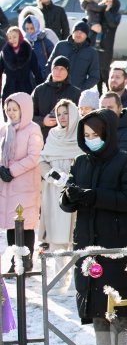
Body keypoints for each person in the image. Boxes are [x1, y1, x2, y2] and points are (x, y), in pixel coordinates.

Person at [60, 109, 127, 345]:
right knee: (95, 304)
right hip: (88, 244)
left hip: (115, 246)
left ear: (107, 134)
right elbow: (68, 195)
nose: (91, 139)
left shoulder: (125, 162)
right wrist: (70, 197)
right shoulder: (81, 162)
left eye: (95, 135)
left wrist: (94, 195)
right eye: (86, 135)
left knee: (115, 304)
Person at [37, 99, 82, 279]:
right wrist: (52, 175)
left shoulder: (81, 134)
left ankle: (76, 278)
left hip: (76, 190)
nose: (62, 117)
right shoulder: (53, 135)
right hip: (54, 190)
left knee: (75, 235)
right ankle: (59, 278)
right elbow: (42, 160)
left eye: (66, 113)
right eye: (59, 114)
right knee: (57, 234)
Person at [0, 93, 43, 272]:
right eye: (8, 109)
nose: (11, 113)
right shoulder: (5, 129)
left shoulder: (33, 129)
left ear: (23, 110)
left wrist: (13, 170)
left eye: (15, 109)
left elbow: (34, 156)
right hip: (8, 184)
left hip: (25, 183)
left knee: (25, 225)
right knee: (11, 225)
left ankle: (26, 260)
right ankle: (13, 262)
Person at [30, 55, 81, 141]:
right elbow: (28, 116)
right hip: (42, 139)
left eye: (62, 69)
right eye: (56, 68)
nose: (58, 72)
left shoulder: (76, 93)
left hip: (66, 140)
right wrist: (42, 121)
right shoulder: (39, 90)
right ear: (51, 69)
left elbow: (80, 118)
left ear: (68, 71)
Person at [46, 21, 100, 91]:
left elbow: (94, 77)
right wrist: (51, 83)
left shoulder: (91, 53)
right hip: (55, 89)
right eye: (76, 31)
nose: (78, 34)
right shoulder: (61, 46)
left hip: (76, 92)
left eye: (82, 32)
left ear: (86, 35)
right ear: (72, 32)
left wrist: (81, 89)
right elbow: (49, 66)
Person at [0, 27, 42, 104]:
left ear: (20, 36)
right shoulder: (4, 53)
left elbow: (37, 72)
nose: (12, 40)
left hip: (26, 88)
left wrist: (41, 90)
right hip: (9, 89)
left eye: (15, 37)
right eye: (10, 38)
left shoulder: (29, 51)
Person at [100, 91, 127, 160]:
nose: (105, 111)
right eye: (102, 108)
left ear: (120, 108)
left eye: (110, 108)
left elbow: (124, 163)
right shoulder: (95, 129)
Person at [97, 0, 121, 93]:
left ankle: (108, 89)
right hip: (98, 43)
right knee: (98, 69)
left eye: (110, 2)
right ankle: (99, 91)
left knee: (105, 68)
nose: (108, 4)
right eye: (106, 1)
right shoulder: (99, 12)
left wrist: (107, 12)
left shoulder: (116, 14)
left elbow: (112, 24)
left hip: (107, 44)